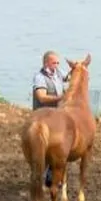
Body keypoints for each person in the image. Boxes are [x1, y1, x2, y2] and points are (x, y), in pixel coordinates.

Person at [32, 50, 70, 187]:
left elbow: (69, 77)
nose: (57, 65)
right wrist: (60, 98)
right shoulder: (39, 77)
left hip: (56, 114)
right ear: (46, 63)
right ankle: (42, 175)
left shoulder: (58, 72)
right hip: (43, 115)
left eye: (58, 62)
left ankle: (51, 173)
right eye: (54, 62)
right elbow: (41, 97)